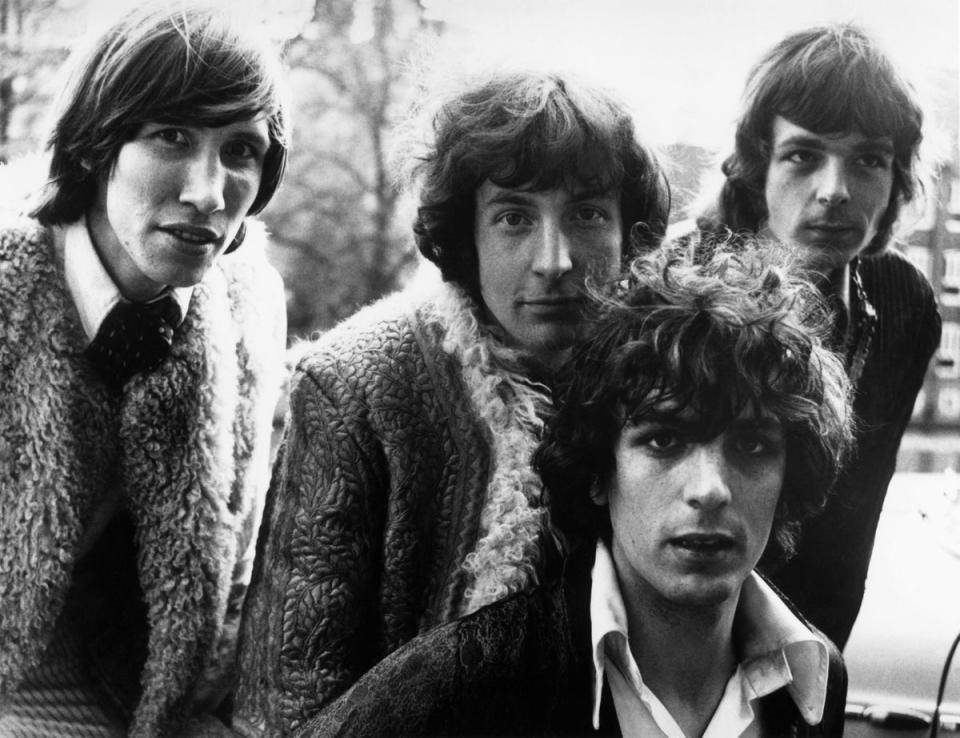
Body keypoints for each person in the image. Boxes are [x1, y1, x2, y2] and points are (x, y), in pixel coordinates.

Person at [232, 70, 670, 734]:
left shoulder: (667, 386)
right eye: (515, 217)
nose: (555, 259)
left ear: (625, 231)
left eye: (586, 214)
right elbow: (286, 699)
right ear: (467, 235)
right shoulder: (357, 384)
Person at [292, 243, 855, 737]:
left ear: (790, 474)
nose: (710, 489)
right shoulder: (468, 682)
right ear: (596, 471)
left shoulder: (811, 677)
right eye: (663, 441)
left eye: (752, 446)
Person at [0, 5, 288, 736]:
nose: (208, 190)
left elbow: (239, 550)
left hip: (150, 699)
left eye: (242, 151)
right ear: (98, 145)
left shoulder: (248, 298)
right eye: (172, 137)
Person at [673, 23, 942, 649]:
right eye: (803, 155)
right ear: (756, 165)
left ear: (898, 178)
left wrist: (820, 668)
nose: (836, 191)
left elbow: (856, 524)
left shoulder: (905, 305)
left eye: (869, 160)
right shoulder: (676, 286)